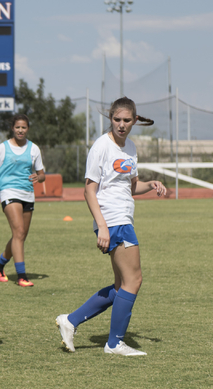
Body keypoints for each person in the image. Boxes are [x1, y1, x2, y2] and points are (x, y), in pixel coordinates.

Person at [56, 97, 166, 356]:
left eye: (127, 120)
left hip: (122, 217)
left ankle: (70, 321)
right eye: (117, 119)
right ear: (110, 119)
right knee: (134, 280)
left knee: (121, 287)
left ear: (135, 121)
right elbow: (89, 190)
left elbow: (130, 187)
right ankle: (114, 343)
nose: (121, 124)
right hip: (113, 220)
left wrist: (149, 184)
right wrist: (102, 226)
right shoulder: (101, 146)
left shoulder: (131, 148)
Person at [0, 114, 45, 287]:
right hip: (8, 191)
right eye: (17, 127)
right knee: (18, 232)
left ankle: (0, 265)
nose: (20, 130)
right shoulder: (3, 148)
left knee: (20, 235)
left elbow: (42, 175)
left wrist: (38, 177)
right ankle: (22, 276)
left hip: (27, 194)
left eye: (23, 127)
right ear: (12, 128)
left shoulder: (34, 149)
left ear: (28, 129)